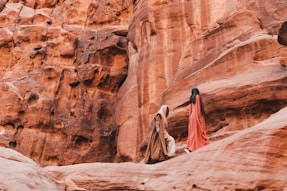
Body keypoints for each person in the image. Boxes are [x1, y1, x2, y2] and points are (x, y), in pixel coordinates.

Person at [185, 88, 209, 153]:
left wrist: (191, 118)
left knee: (193, 132)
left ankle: (191, 146)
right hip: (196, 116)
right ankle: (198, 145)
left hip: (192, 116)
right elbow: (198, 109)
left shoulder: (191, 98)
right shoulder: (197, 97)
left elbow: (190, 110)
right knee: (199, 131)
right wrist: (198, 118)